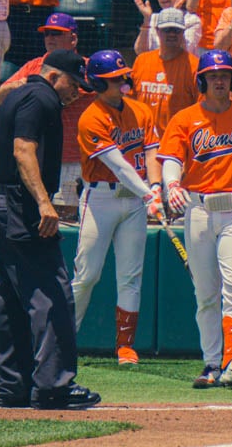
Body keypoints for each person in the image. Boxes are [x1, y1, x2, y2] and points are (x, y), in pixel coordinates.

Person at [0, 48, 100, 410]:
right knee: (52, 294)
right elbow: (23, 150)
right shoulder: (43, 97)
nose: (76, 92)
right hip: (24, 206)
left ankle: (12, 388)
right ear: (53, 76)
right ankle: (54, 386)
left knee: (10, 299)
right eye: (73, 83)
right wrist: (42, 202)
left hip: (2, 203)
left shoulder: (15, 97)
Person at [159, 50, 232, 389]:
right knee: (206, 293)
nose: (220, 80)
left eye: (224, 74)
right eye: (212, 75)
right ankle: (213, 363)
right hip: (197, 210)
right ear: (202, 81)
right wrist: (171, 183)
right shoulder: (184, 119)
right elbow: (170, 159)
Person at [70, 50, 164, 366]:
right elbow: (119, 166)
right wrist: (150, 196)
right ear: (98, 83)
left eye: (122, 76)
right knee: (87, 274)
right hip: (100, 199)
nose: (122, 82)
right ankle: (64, 337)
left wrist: (155, 188)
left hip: (134, 200)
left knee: (130, 275)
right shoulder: (90, 118)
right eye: (113, 79)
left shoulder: (141, 111)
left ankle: (125, 347)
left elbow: (151, 155)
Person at [0, 13, 93, 213]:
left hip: (82, 155)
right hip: (46, 156)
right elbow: (0, 96)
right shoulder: (35, 65)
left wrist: (29, 87)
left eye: (57, 33)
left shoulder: (87, 66)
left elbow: (76, 94)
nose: (50, 38)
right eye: (47, 34)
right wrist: (22, 87)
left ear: (73, 38)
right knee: (58, 215)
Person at [129, 7, 200, 135]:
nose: (172, 34)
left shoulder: (194, 66)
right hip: (142, 139)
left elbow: (200, 108)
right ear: (157, 30)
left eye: (176, 30)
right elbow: (130, 101)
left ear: (183, 32)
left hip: (177, 140)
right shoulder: (142, 61)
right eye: (167, 30)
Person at [133, 0, 202, 57]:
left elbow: (183, 52)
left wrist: (174, 14)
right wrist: (147, 20)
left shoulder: (192, 20)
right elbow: (141, 52)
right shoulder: (153, 18)